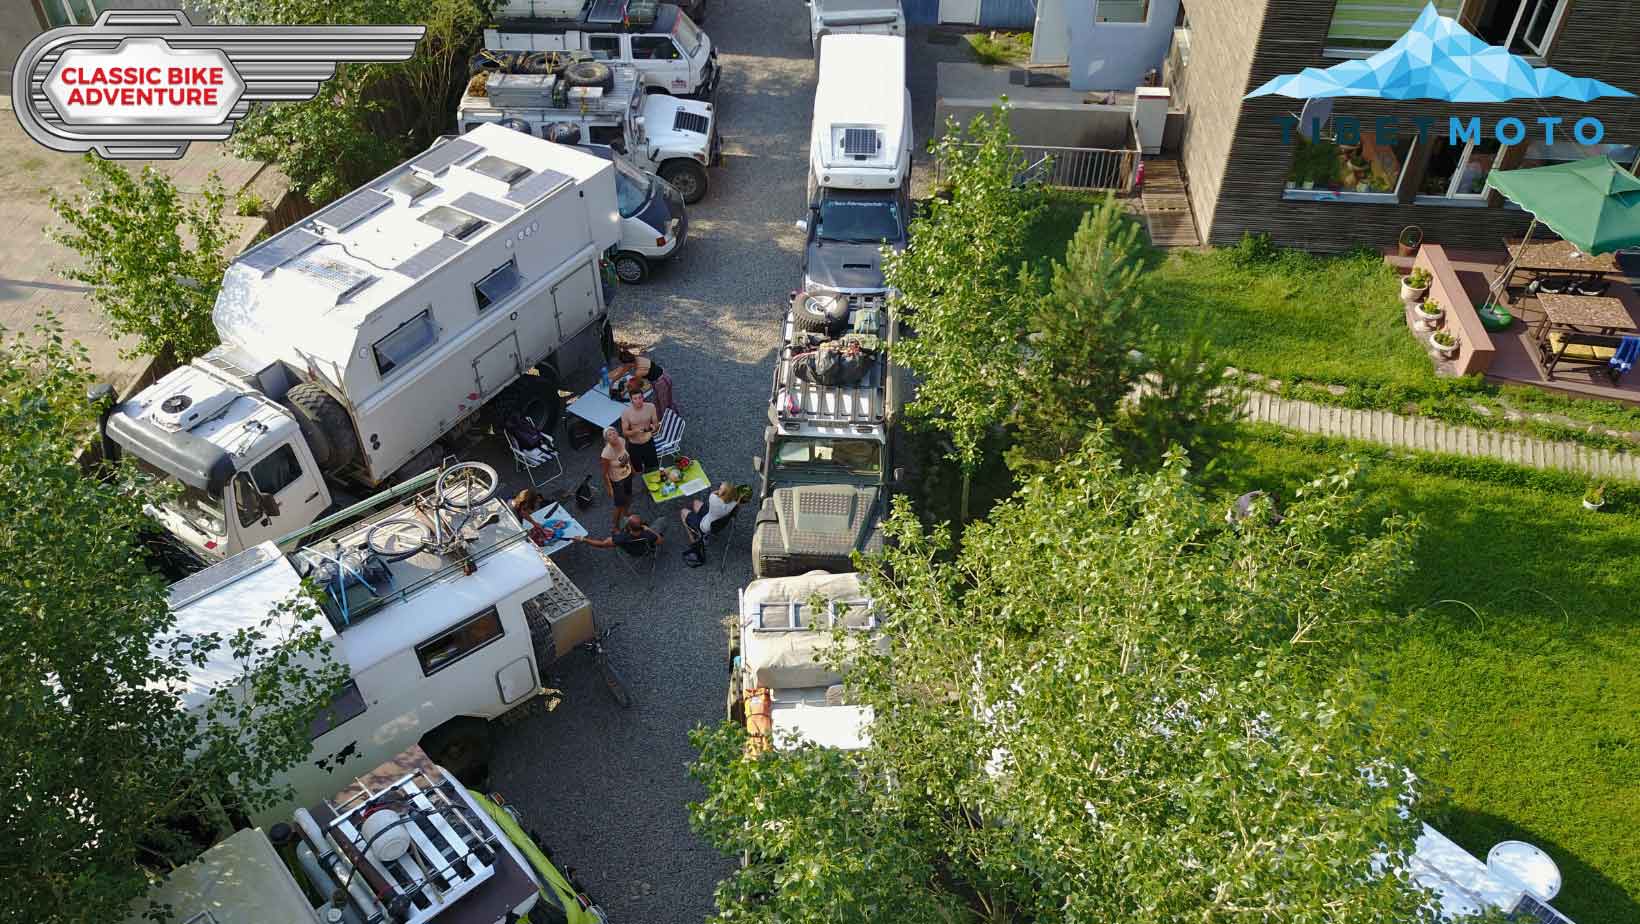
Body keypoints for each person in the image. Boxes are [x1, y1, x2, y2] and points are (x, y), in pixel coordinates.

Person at [611, 347, 674, 416]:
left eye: (624, 364)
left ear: (628, 364)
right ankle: (664, 417)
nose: (623, 366)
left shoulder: (639, 371)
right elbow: (622, 372)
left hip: (662, 382)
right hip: (660, 379)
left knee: (664, 405)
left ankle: (670, 419)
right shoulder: (636, 359)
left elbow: (637, 386)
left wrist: (623, 393)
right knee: (659, 401)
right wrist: (612, 381)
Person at [620, 378, 661, 473]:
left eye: (640, 397)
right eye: (635, 399)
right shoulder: (626, 413)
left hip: (648, 442)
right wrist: (636, 431)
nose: (638, 401)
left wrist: (654, 428)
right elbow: (624, 433)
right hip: (635, 445)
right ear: (631, 400)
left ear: (643, 397)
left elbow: (656, 423)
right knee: (637, 469)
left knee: (651, 468)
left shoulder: (651, 407)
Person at [600, 427, 636, 532]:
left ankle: (626, 513)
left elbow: (627, 456)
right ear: (607, 440)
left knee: (628, 496)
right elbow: (604, 473)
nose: (613, 435)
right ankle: (615, 526)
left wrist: (632, 468)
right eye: (610, 435)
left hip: (628, 474)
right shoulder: (606, 453)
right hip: (617, 481)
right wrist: (609, 488)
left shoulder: (622, 440)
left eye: (614, 432)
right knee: (619, 505)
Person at [574, 514, 663, 557]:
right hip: (646, 550)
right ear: (642, 525)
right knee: (662, 520)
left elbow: (602, 544)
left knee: (622, 521)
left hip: (632, 552)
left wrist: (583, 539)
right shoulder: (648, 534)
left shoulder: (621, 538)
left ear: (629, 527)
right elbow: (660, 541)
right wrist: (649, 529)